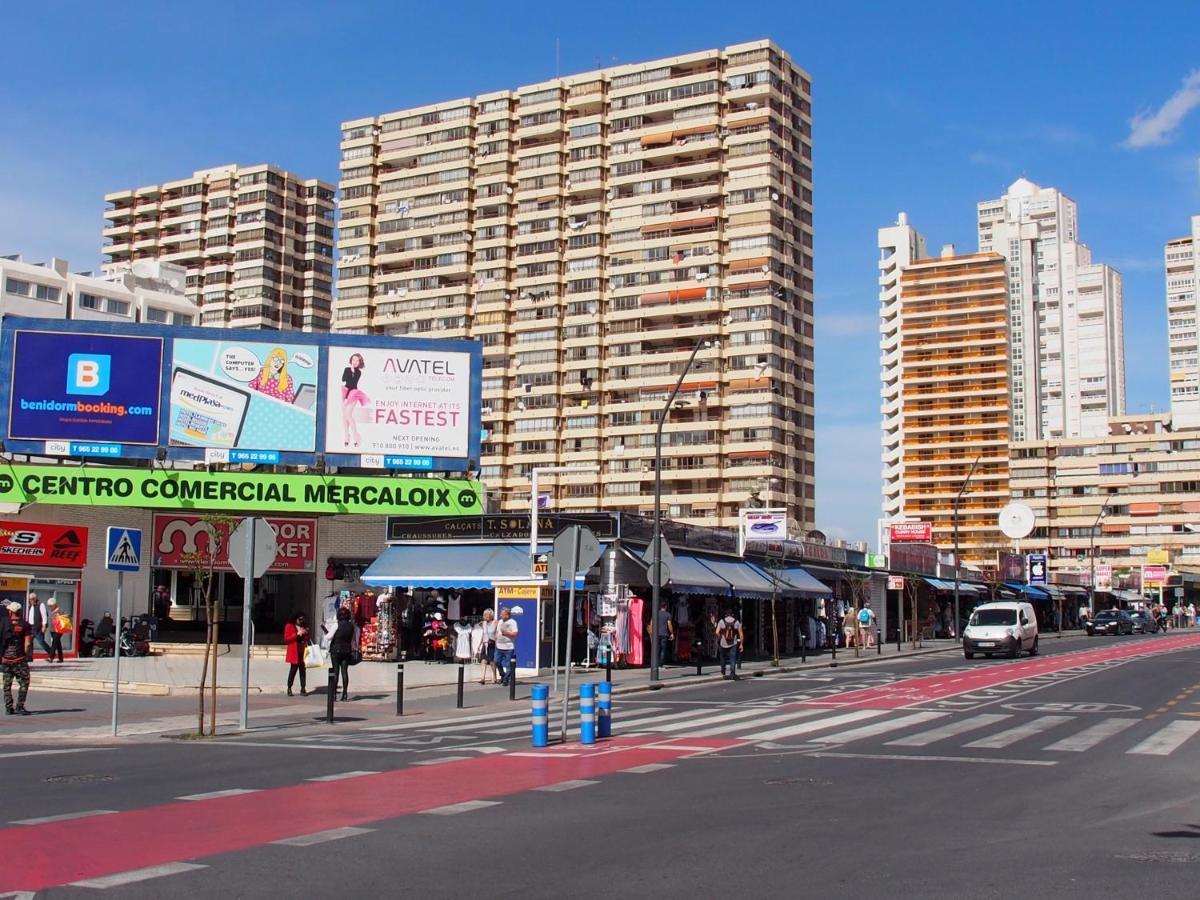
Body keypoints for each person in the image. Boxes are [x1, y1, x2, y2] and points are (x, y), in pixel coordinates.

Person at [2, 601, 32, 715]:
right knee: (24, 681)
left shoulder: (3, 623)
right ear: (19, 612)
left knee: (7, 684)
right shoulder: (25, 624)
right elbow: (28, 643)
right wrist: (26, 655)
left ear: (10, 611)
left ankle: (9, 707)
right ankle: (20, 705)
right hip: (19, 659)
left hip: (5, 659)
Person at [340, 353, 369, 447]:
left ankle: (355, 435)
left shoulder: (358, 372)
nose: (355, 362)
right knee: (344, 416)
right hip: (345, 392)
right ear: (351, 360)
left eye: (357, 361)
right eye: (353, 360)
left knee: (348, 415)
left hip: (353, 393)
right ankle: (346, 436)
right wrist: (350, 371)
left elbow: (353, 383)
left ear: (359, 362)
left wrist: (353, 372)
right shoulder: (346, 369)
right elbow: (344, 379)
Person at [327, 607, 356, 702]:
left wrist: (326, 633)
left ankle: (334, 694)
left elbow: (329, 637)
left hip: (336, 650)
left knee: (335, 672)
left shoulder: (336, 625)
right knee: (345, 672)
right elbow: (354, 640)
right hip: (346, 650)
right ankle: (345, 694)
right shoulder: (351, 626)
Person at [283, 613, 310, 697]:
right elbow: (287, 639)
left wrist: (305, 633)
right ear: (295, 619)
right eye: (300, 619)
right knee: (293, 670)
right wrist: (297, 634)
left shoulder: (303, 626)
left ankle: (303, 688)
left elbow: (307, 639)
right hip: (294, 650)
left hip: (302, 650)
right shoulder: (289, 626)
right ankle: (289, 688)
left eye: (303, 619)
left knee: (303, 670)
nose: (301, 621)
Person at [24, 593, 52, 662]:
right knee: (29, 643)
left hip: (38, 627)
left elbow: (44, 616)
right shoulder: (30, 606)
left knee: (41, 641)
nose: (31, 601)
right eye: (30, 599)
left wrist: (44, 626)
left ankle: (51, 654)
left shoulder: (40, 605)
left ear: (35, 598)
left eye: (32, 599)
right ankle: (29, 657)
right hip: (30, 627)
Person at [494, 607, 518, 687]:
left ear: (507, 615)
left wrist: (506, 633)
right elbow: (497, 632)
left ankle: (506, 679)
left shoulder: (513, 622)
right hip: (499, 646)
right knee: (496, 661)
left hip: (508, 647)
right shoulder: (500, 622)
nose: (501, 615)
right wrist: (496, 638)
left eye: (502, 614)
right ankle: (502, 674)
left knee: (508, 665)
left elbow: (515, 634)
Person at [716, 609, 742, 680]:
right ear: (732, 614)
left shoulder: (721, 621)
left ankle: (723, 670)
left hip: (723, 643)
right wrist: (741, 644)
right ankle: (732, 673)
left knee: (722, 657)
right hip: (733, 643)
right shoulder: (736, 622)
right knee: (732, 658)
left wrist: (720, 637)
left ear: (725, 615)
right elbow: (741, 634)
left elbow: (717, 632)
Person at [476, 608, 498, 684]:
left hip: (492, 644)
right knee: (483, 661)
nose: (486, 616)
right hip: (485, 644)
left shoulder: (495, 622)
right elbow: (483, 634)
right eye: (485, 615)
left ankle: (494, 678)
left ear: (491, 615)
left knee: (492, 662)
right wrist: (479, 644)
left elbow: (498, 633)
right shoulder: (484, 623)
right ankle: (482, 678)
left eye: (488, 614)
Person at [46, 598, 66, 663]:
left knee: (54, 643)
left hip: (59, 630)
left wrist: (59, 616)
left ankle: (51, 657)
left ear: (55, 605)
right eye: (49, 606)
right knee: (57, 643)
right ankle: (61, 658)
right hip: (52, 629)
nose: (50, 607)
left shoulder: (60, 610)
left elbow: (66, 618)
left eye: (51, 606)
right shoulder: (50, 611)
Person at [656, 600, 674, 667]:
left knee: (657, 648)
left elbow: (652, 623)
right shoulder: (667, 614)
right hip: (664, 634)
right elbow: (669, 624)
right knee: (663, 649)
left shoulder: (656, 613)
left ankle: (656, 663)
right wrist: (672, 633)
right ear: (666, 606)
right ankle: (660, 664)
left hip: (656, 634)